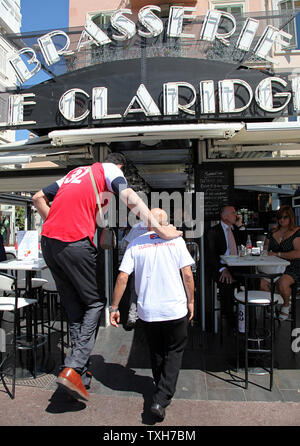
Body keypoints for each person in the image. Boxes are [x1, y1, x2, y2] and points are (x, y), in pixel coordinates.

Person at [32, 153, 182, 402]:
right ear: (120, 166)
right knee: (94, 304)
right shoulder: (109, 170)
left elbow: (38, 198)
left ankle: (79, 371)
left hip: (48, 243)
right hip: (74, 243)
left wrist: (57, 225)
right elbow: (129, 197)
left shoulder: (73, 174)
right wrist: (158, 228)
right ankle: (73, 367)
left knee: (75, 309)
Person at [110, 208, 194, 421]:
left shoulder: (136, 243)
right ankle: (161, 398)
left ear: (147, 225)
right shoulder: (177, 241)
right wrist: (191, 301)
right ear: (167, 224)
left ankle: (160, 389)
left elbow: (122, 277)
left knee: (156, 351)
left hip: (147, 311)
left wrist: (114, 307)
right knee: (174, 352)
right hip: (175, 309)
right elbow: (187, 274)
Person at [206, 205, 247, 327]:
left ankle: (248, 317)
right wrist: (223, 269)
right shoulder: (213, 231)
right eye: (233, 213)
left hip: (237, 266)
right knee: (227, 284)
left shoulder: (235, 229)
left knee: (251, 280)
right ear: (224, 216)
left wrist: (240, 225)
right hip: (221, 266)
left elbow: (244, 244)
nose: (236, 215)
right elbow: (211, 255)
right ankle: (231, 322)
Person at [260, 205, 300, 320]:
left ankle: (286, 305)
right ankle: (270, 307)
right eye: (279, 217)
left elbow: (298, 253)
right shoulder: (272, 231)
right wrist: (266, 253)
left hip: (292, 266)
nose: (282, 220)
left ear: (291, 217)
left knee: (282, 283)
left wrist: (278, 254)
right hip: (273, 266)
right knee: (262, 283)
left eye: (285, 217)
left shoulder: (296, 232)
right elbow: (266, 248)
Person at [123, 220, 148, 328]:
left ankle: (132, 317)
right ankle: (148, 318)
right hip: (154, 266)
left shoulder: (137, 226)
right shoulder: (159, 226)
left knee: (135, 291)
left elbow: (128, 245)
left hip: (138, 265)